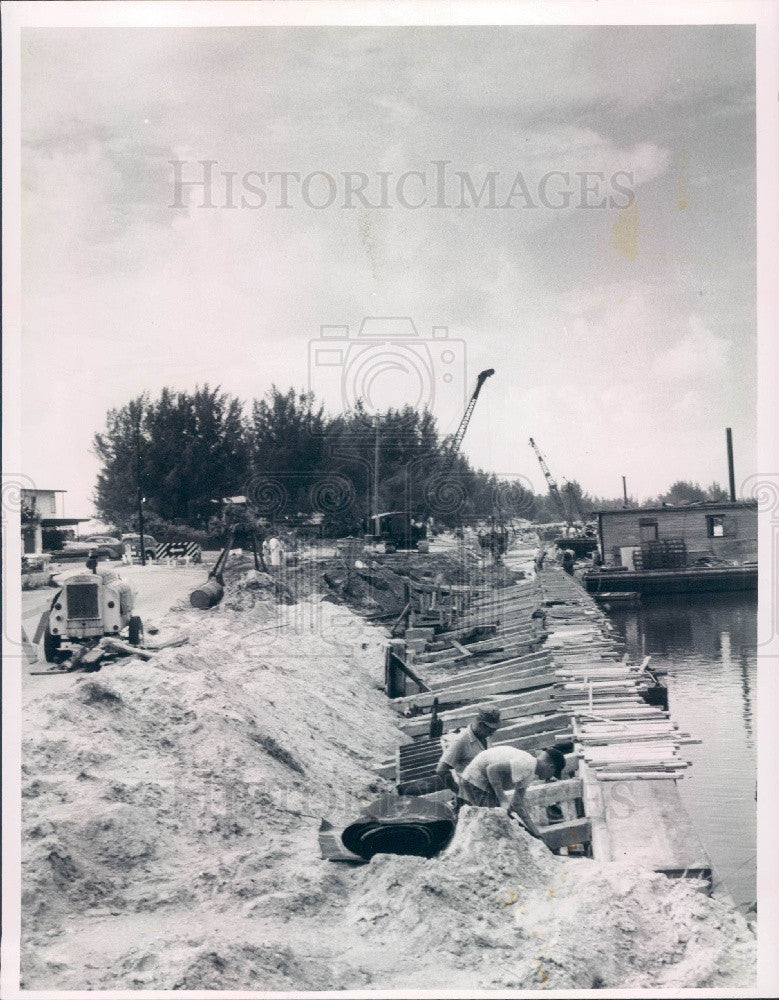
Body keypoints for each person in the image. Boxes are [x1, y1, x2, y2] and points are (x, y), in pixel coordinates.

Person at [459, 745, 566, 840]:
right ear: (550, 766)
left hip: (483, 783)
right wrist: (503, 800)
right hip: (476, 778)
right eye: (553, 773)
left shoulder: (530, 773)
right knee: (494, 824)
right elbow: (491, 770)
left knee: (495, 823)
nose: (550, 777)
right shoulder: (526, 763)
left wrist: (536, 833)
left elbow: (517, 804)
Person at [435, 707, 501, 792]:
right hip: (471, 791)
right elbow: (441, 769)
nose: (492, 733)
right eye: (490, 730)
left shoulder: (485, 735)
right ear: (481, 725)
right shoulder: (461, 740)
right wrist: (459, 792)